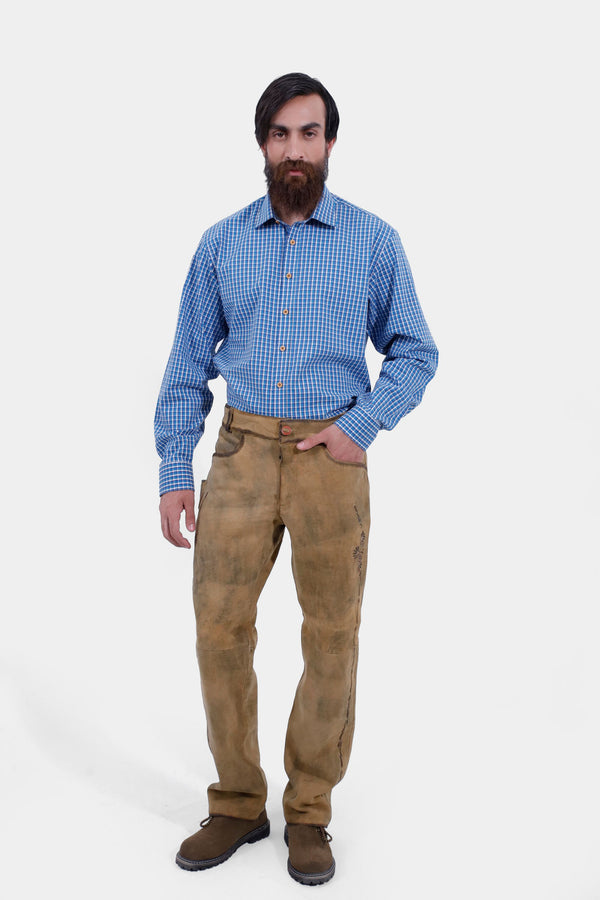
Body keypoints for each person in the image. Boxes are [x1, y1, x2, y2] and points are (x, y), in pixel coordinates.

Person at [154, 72, 438, 886]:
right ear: (262, 145)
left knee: (332, 637)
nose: (295, 149)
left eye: (309, 133)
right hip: (240, 456)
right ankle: (238, 802)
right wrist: (177, 466)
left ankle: (309, 810)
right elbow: (185, 366)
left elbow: (416, 350)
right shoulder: (221, 243)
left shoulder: (374, 241)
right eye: (280, 134)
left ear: (330, 144)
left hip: (329, 462)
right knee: (218, 633)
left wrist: (361, 426)